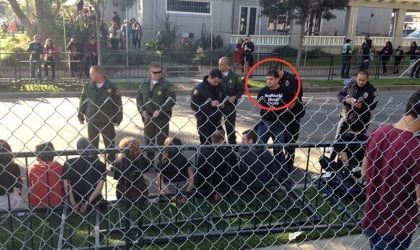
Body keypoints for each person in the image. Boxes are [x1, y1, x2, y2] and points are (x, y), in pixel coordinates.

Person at [361, 90, 420, 250]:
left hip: (372, 217)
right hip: (396, 227)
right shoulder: (416, 149)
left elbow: (364, 171)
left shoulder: (379, 132)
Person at [255, 70, 295, 185]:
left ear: (278, 79)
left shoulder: (285, 91)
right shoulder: (262, 91)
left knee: (278, 150)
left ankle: (283, 177)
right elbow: (259, 104)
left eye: (271, 79)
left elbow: (293, 101)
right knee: (259, 148)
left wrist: (288, 109)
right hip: (264, 123)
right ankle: (259, 175)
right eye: (267, 79)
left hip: (279, 124)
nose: (268, 81)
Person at [78, 65, 123, 163]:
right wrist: (80, 116)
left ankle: (111, 161)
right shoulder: (87, 86)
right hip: (92, 119)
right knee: (93, 143)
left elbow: (118, 104)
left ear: (99, 74)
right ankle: (94, 162)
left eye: (91, 73)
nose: (90, 75)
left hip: (107, 120)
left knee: (109, 143)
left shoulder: (112, 86)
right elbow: (83, 101)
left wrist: (118, 119)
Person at [136, 62, 176, 160]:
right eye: (155, 72)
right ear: (150, 72)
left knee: (162, 141)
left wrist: (160, 110)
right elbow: (139, 99)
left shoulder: (167, 84)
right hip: (148, 117)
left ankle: (162, 162)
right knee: (149, 141)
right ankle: (149, 162)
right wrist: (142, 111)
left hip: (162, 117)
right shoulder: (144, 83)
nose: (158, 74)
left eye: (160, 72)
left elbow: (171, 100)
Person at [273, 66, 305, 171]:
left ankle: (289, 165)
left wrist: (287, 107)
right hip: (280, 116)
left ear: (280, 71)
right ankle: (280, 163)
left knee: (290, 140)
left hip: (293, 114)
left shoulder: (292, 79)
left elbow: (295, 96)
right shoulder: (276, 80)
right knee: (278, 140)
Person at [62, 138, 106, 214]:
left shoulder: (69, 163)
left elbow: (66, 186)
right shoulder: (99, 164)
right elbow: (99, 187)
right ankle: (89, 204)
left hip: (75, 198)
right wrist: (87, 203)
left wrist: (74, 204)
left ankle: (75, 204)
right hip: (94, 200)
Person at [195, 130, 238, 200]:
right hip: (225, 185)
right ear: (222, 140)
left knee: (195, 167)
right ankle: (221, 192)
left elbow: (200, 174)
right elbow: (236, 173)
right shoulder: (230, 153)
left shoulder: (204, 153)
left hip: (207, 186)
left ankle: (212, 193)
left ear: (212, 140)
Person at [336, 70, 378, 138]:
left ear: (367, 79)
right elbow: (340, 95)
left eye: (363, 80)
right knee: (340, 136)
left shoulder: (371, 90)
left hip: (362, 118)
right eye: (359, 80)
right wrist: (346, 100)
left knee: (357, 138)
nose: (361, 82)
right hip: (347, 115)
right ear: (356, 78)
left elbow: (373, 105)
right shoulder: (350, 85)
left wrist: (361, 106)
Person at [191, 68, 225, 145]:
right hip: (204, 122)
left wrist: (223, 104)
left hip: (217, 120)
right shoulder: (199, 89)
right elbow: (194, 106)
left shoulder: (219, 86)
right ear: (209, 77)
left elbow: (223, 97)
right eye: (215, 81)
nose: (216, 84)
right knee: (206, 146)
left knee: (221, 144)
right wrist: (210, 104)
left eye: (218, 82)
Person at [113, 137, 151, 202]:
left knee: (120, 184)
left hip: (123, 192)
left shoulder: (118, 162)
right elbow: (146, 169)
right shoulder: (142, 160)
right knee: (142, 181)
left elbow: (116, 176)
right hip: (140, 190)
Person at [157, 137, 194, 203]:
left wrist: (171, 197)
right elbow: (192, 179)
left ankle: (172, 198)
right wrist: (186, 193)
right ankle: (182, 198)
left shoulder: (161, 164)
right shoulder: (185, 160)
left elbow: (160, 183)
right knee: (193, 167)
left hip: (169, 191)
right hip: (183, 189)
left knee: (158, 181)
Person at [28, 142, 64, 208]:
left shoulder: (33, 169)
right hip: (57, 204)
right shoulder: (60, 167)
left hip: (37, 205)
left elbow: (30, 184)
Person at [218, 57, 244, 144]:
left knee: (230, 126)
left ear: (227, 65)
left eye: (221, 64)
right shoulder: (217, 75)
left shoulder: (235, 76)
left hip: (230, 105)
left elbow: (240, 90)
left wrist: (235, 97)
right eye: (219, 64)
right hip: (218, 104)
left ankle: (232, 144)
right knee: (217, 124)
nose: (219, 66)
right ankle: (221, 143)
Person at [0, 139, 24, 211]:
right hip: (9, 200)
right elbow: (19, 185)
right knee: (16, 198)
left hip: (4, 199)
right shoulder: (14, 166)